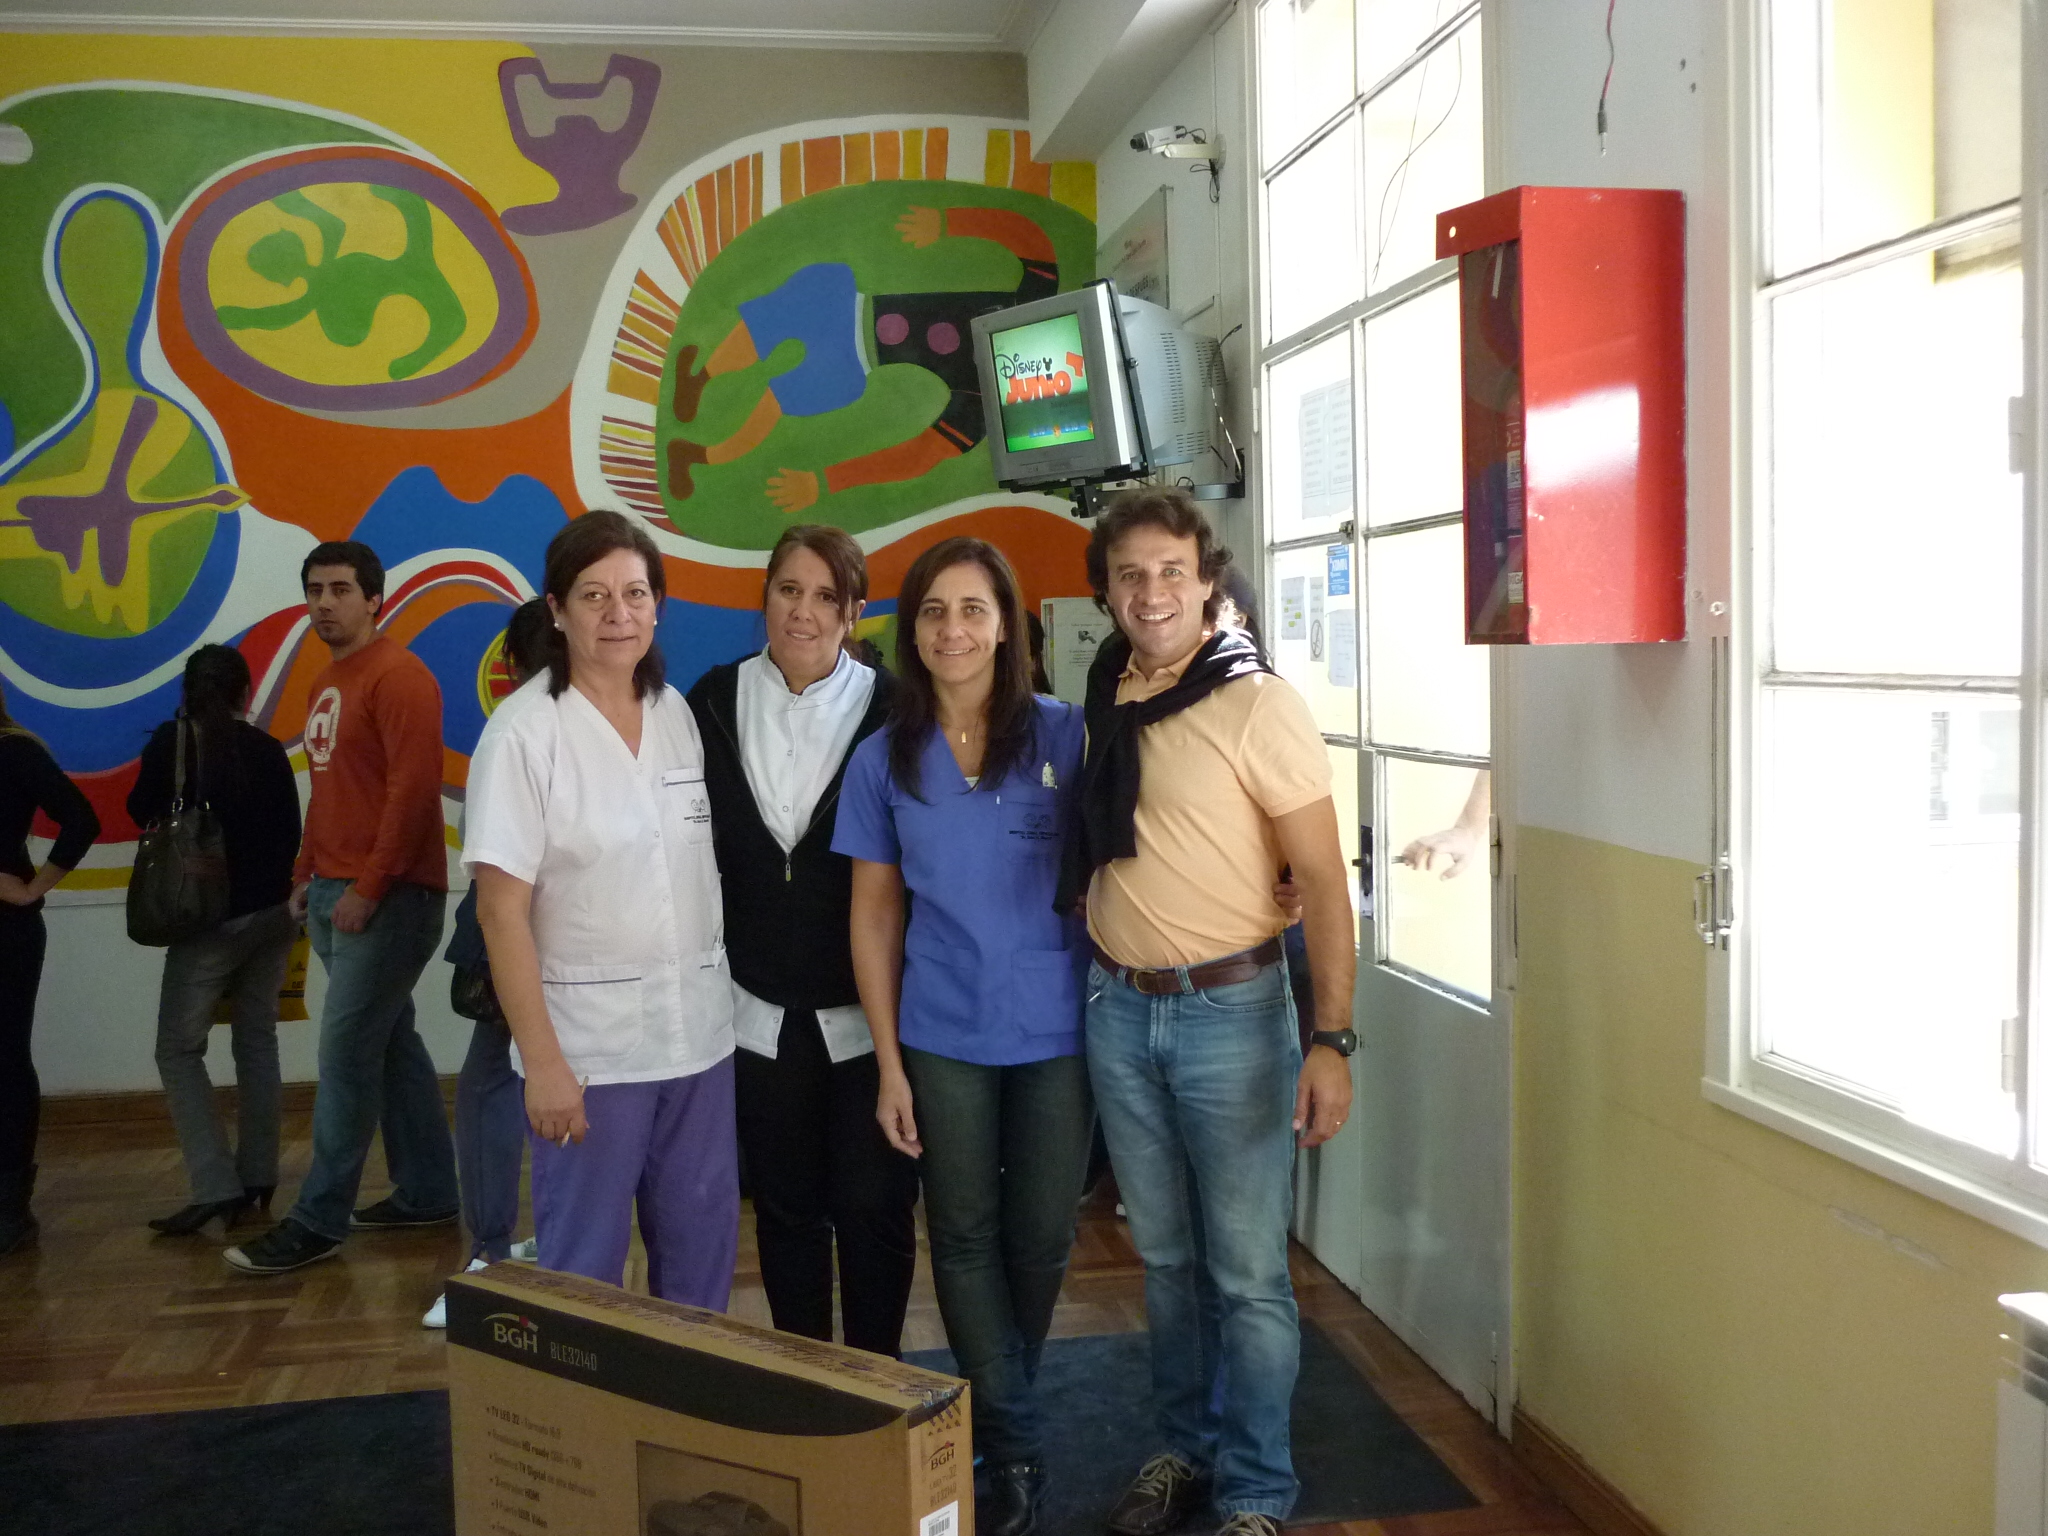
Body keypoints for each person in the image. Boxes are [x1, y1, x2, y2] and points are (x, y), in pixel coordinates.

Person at [1065, 489, 1355, 1536]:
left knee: (1246, 1275)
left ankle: (1255, 1490)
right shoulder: (1106, 687)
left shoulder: (1255, 701)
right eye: (1130, 575)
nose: (1151, 594)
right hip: (1117, 1009)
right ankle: (1182, 1451)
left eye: (1170, 573)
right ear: (1107, 591)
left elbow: (1322, 882)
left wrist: (1331, 1039)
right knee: (1167, 1262)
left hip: (1229, 1017)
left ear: (1206, 582)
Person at [835, 537, 1092, 1536]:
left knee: (1042, 1233)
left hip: (1057, 1027)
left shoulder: (1066, 735)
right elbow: (872, 914)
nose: (953, 629)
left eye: (973, 609)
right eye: (934, 611)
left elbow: (1141, 846)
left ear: (1008, 625)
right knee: (963, 1234)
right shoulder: (882, 757)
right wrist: (888, 1063)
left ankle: (1000, 1409)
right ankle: (1017, 1444)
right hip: (941, 1030)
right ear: (911, 631)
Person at [463, 511, 737, 1305]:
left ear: (658, 606)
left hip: (697, 1041)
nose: (618, 613)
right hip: (589, 1056)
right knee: (585, 1272)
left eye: (635, 593)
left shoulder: (676, 714)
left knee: (701, 1253)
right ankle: (589, 1398)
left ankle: (690, 1388)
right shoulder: (524, 735)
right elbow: (500, 914)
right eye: (594, 595)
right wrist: (544, 1065)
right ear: (556, 609)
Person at [686, 525, 918, 1355]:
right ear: (765, 596)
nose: (804, 612)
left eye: (827, 597)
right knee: (785, 1211)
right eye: (789, 590)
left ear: (854, 612)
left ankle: (878, 1385)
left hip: (872, 1017)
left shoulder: (897, 711)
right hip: (756, 1013)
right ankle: (807, 1386)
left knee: (875, 1208)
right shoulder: (712, 701)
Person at [225, 541, 459, 1275]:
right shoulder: (328, 680)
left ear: (374, 599)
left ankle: (318, 1220)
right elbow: (330, 791)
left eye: (340, 589)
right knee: (390, 1045)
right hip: (333, 889)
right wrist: (306, 873)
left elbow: (412, 795)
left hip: (387, 897)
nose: (324, 603)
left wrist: (368, 887)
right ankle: (429, 1191)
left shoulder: (401, 677)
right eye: (314, 590)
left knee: (346, 1055)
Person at [129, 645, 302, 1238]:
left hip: (206, 920)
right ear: (244, 693)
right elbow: (291, 832)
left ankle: (214, 1186)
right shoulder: (267, 749)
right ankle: (259, 1175)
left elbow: (138, 809)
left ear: (187, 691)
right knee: (257, 1040)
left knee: (178, 1050)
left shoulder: (173, 743)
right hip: (274, 915)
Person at [422, 598, 554, 1330]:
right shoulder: (563, 724)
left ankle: (491, 1255)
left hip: (536, 940)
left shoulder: (518, 730)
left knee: (492, 1087)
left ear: (510, 664)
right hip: (552, 941)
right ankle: (525, 1245)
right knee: (513, 1086)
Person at [0, 683, 99, 1257]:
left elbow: (81, 819)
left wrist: (33, 888)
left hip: (6, 930)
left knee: (6, 1059)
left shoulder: (14, 750)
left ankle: (10, 1208)